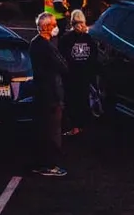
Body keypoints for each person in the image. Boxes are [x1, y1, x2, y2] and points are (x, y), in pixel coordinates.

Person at [29, 12, 69, 177]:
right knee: (52, 132)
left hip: (41, 93)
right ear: (46, 27)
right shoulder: (47, 47)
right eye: (53, 25)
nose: (55, 27)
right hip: (50, 95)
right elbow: (63, 66)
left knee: (43, 131)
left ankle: (42, 162)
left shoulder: (34, 44)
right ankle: (49, 164)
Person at [58, 9, 97, 136]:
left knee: (71, 101)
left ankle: (74, 127)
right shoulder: (89, 38)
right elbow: (94, 57)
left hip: (71, 76)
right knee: (84, 100)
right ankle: (83, 126)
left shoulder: (65, 39)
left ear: (71, 21)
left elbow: (61, 58)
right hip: (85, 75)